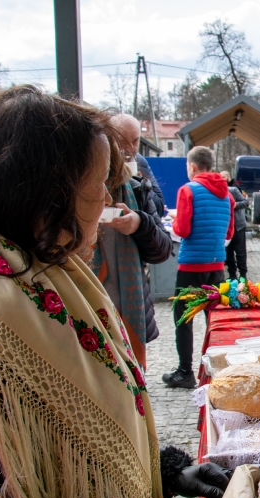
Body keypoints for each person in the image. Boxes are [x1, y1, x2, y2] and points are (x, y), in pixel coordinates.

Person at [0, 85, 230, 498]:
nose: (109, 202)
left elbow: (70, 432)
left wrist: (166, 471)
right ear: (49, 191)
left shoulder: (44, 270)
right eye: (98, 184)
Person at [92, 146, 173, 370]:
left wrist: (140, 224)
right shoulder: (70, 192)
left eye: (134, 142)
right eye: (122, 142)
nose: (129, 151)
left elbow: (163, 250)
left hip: (128, 314)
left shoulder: (136, 189)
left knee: (130, 376)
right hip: (87, 315)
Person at [163, 146, 235, 389]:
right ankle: (219, 370)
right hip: (216, 266)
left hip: (191, 266)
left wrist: (174, 219)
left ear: (192, 166)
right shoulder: (227, 195)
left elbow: (182, 230)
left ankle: (185, 371)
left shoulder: (188, 190)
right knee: (214, 319)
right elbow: (229, 233)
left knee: (184, 318)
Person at [111, 114, 166, 217]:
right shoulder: (102, 164)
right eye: (123, 142)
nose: (130, 148)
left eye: (135, 141)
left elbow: (159, 208)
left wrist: (139, 184)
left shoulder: (140, 161)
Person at [221, 170, 250, 281]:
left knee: (240, 251)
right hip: (226, 227)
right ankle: (232, 275)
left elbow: (245, 202)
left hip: (238, 226)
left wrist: (234, 205)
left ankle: (243, 275)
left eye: (223, 178)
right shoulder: (217, 193)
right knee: (228, 251)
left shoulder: (233, 190)